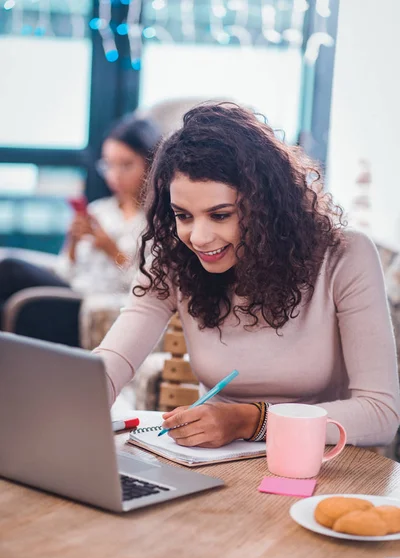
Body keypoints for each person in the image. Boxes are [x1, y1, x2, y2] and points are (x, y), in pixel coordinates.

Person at [94, 102, 400, 448]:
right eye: (183, 215)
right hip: (215, 463)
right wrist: (76, 396)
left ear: (266, 208)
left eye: (221, 215)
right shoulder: (175, 260)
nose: (199, 237)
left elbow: (381, 414)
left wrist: (249, 421)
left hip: (323, 462)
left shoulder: (345, 256)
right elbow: (113, 361)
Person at [0, 114, 161, 346]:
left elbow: (144, 286)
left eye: (125, 165)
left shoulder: (155, 223)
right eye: (108, 164)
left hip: (98, 304)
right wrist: (73, 244)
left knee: (9, 269)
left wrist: (110, 249)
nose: (114, 175)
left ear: (151, 163)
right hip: (71, 291)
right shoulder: (99, 210)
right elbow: (65, 272)